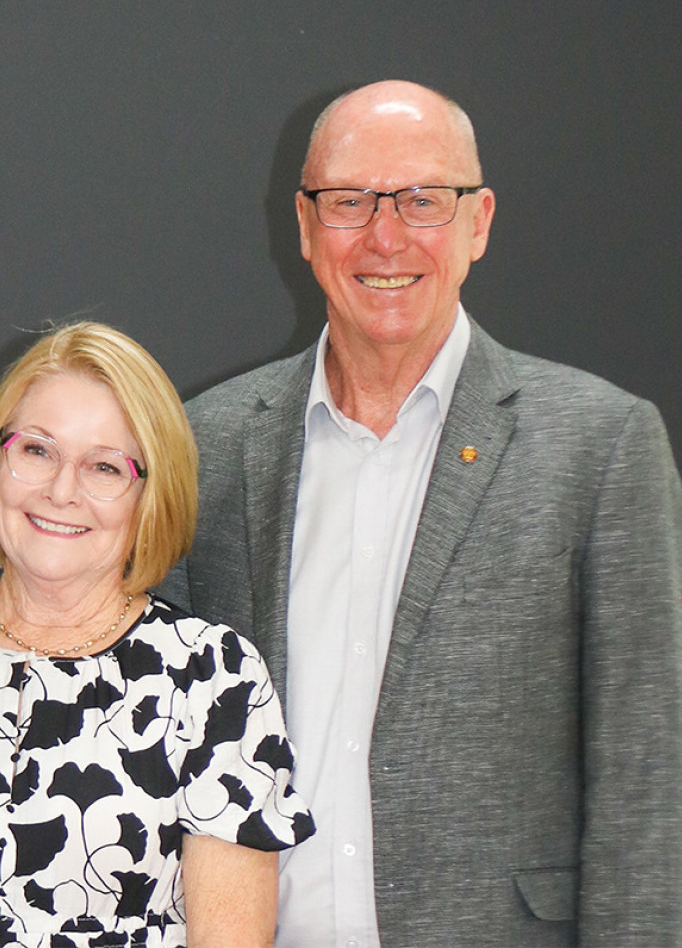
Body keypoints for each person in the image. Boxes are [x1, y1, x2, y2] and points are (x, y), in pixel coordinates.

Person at [159, 80, 682, 946]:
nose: (386, 234)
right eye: (350, 200)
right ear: (303, 225)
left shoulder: (601, 445)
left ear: (478, 222)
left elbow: (649, 786)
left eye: (423, 201)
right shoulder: (208, 444)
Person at [0, 322, 314, 948]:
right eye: (37, 450)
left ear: (150, 496)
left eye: (104, 467)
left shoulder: (211, 679)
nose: (62, 491)